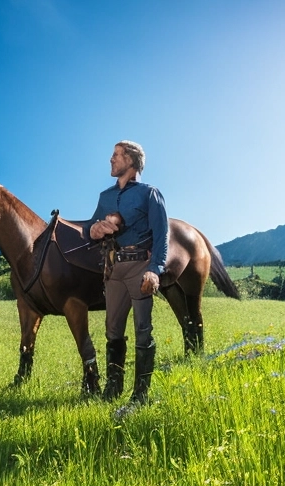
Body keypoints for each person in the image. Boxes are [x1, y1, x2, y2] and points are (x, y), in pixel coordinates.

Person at [87, 140, 169, 409]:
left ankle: (141, 394)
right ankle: (113, 388)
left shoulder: (150, 193)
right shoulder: (104, 197)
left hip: (140, 267)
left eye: (116, 155)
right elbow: (91, 226)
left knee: (142, 330)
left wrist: (154, 270)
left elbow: (162, 236)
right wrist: (93, 231)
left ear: (131, 160)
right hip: (114, 269)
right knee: (113, 330)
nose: (111, 160)